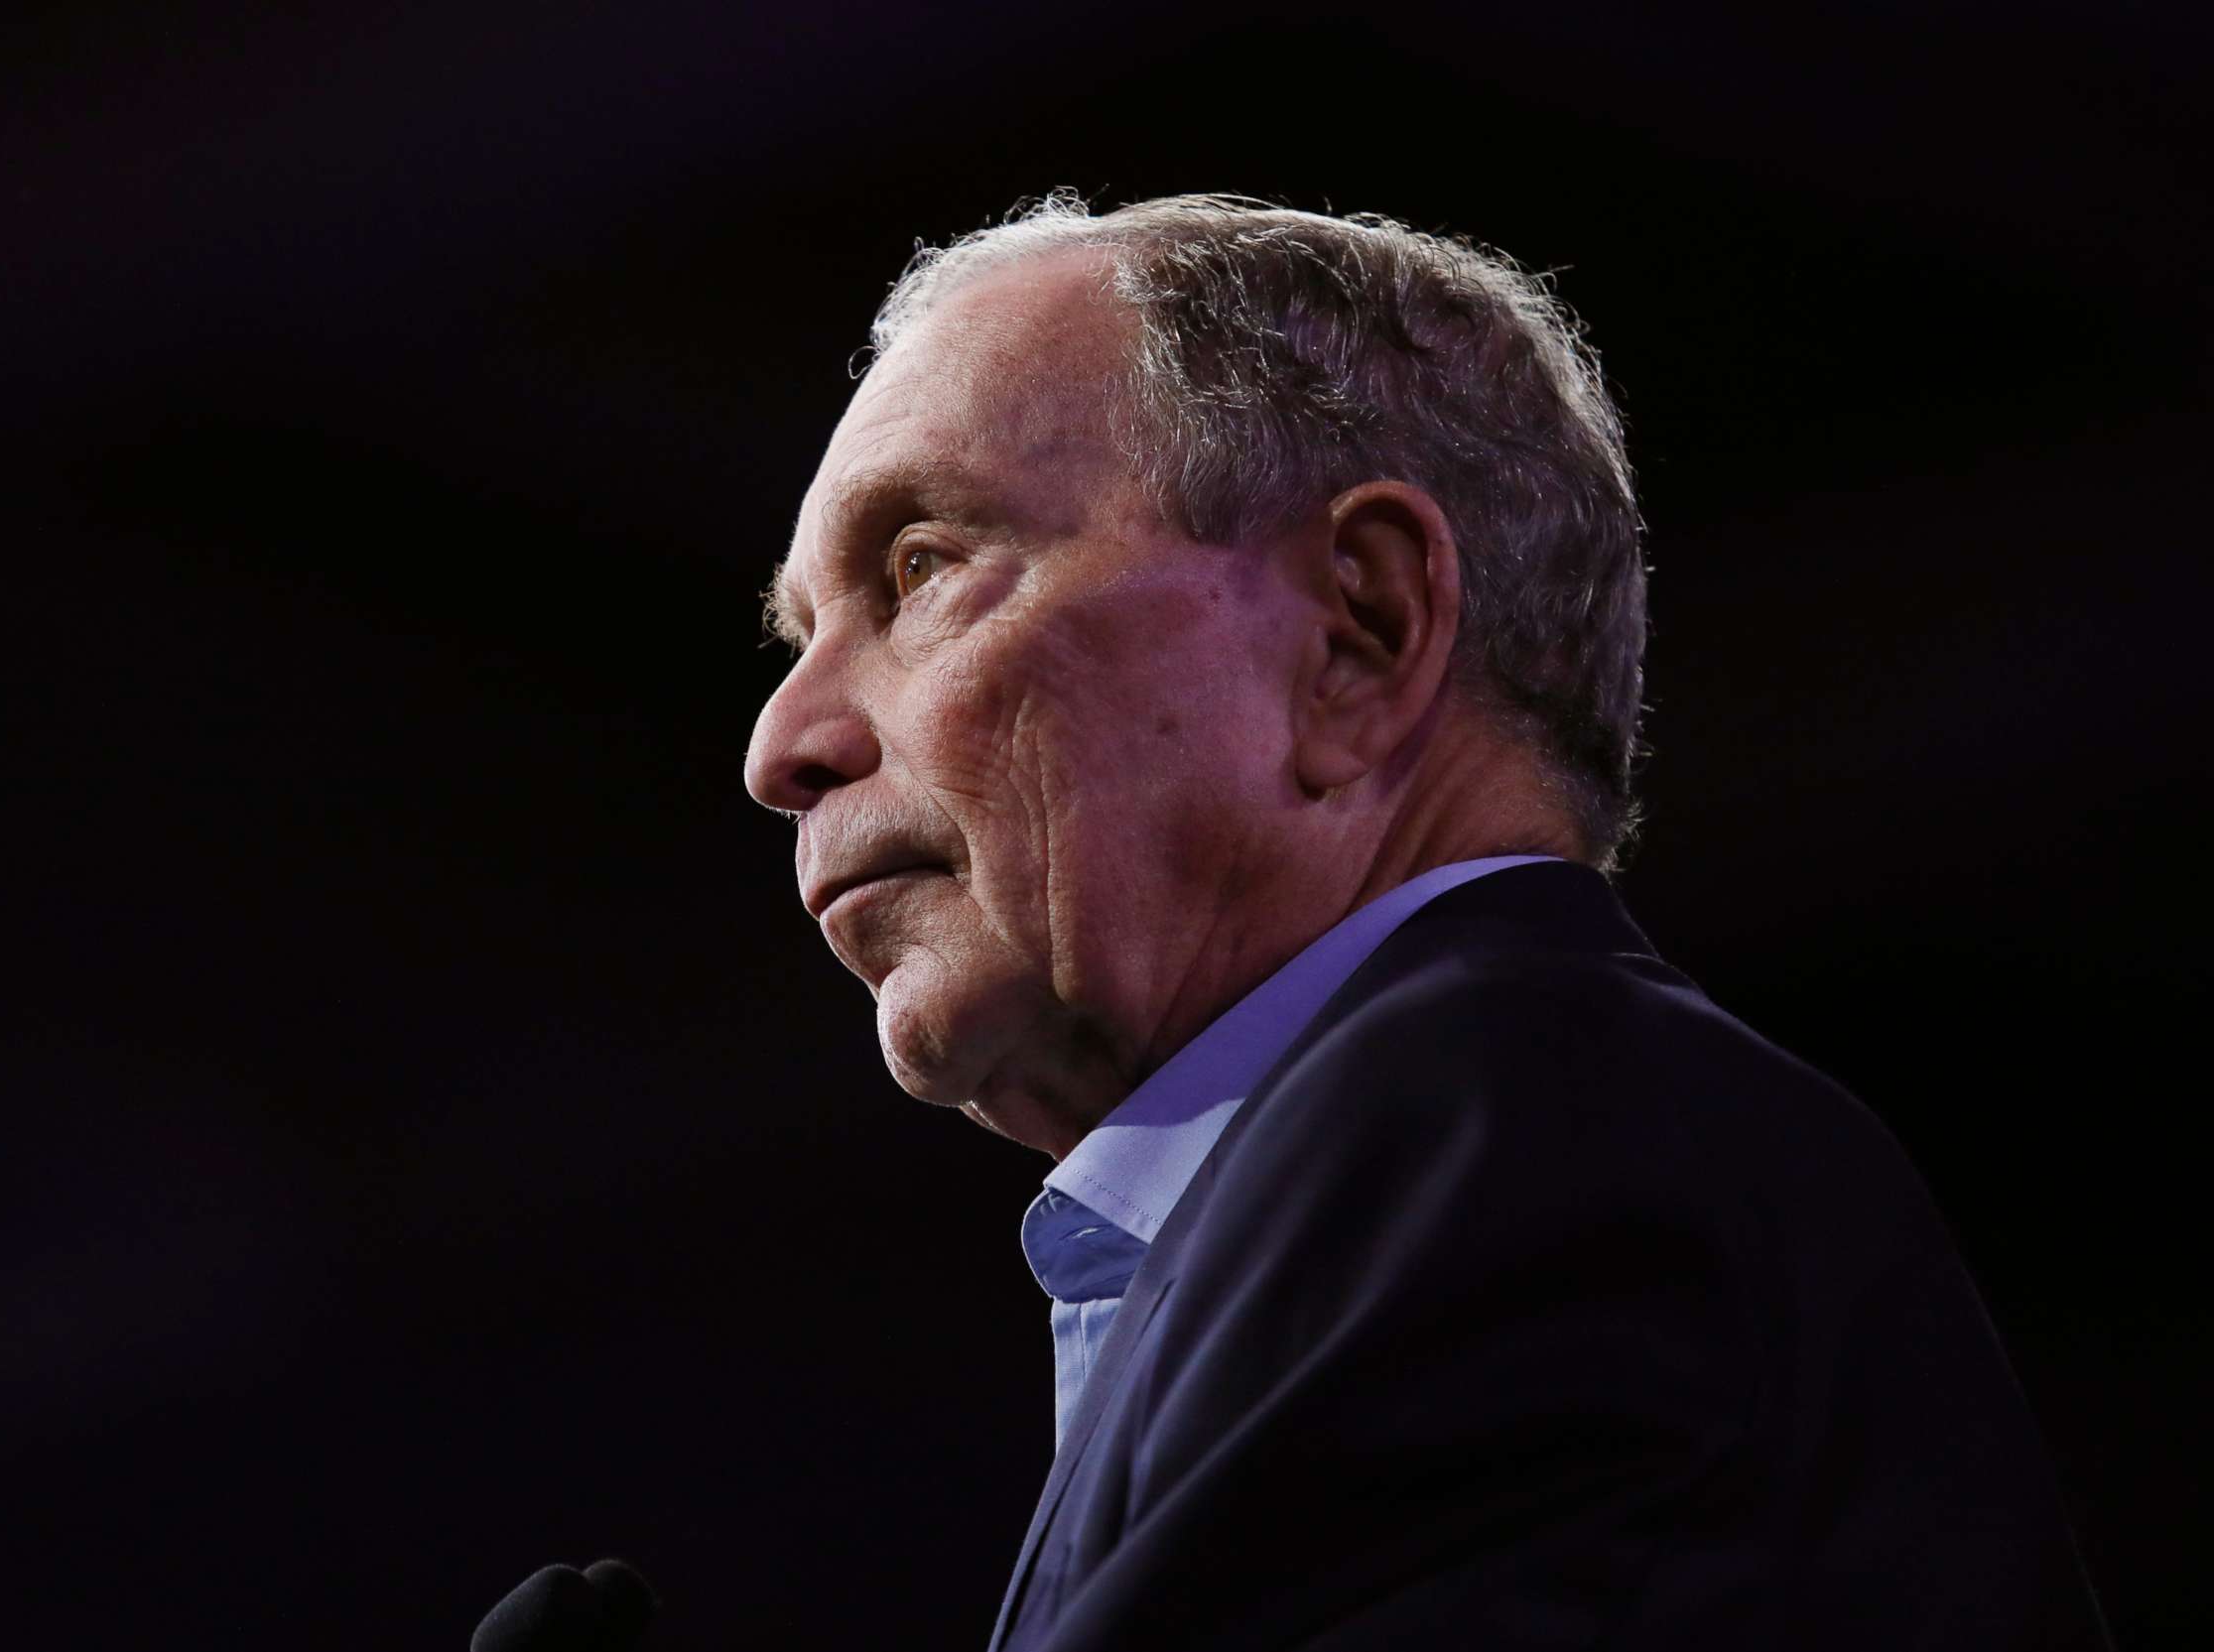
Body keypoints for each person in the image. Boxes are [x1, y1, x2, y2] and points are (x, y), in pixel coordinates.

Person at [742, 191, 2114, 1651]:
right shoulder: (1444, 1154)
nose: (783, 742)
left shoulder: (1505, 1129)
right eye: (798, 636)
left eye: (920, 568)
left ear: (1361, 631)